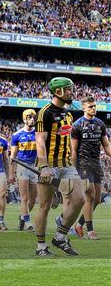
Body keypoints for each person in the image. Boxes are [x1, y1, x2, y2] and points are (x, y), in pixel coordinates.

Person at [34, 77, 85, 256]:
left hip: (66, 164)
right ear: (59, 91)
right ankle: (40, 246)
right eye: (69, 89)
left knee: (80, 199)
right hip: (49, 165)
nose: (72, 92)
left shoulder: (68, 114)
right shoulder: (45, 112)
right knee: (45, 206)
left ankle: (60, 237)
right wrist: (44, 166)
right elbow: (40, 140)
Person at [70, 96, 111, 240]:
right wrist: (73, 168)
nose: (93, 108)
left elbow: (106, 145)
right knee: (90, 195)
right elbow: (73, 150)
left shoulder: (100, 123)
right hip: (82, 163)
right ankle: (90, 231)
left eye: (94, 106)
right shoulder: (77, 125)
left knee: (98, 199)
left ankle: (79, 224)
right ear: (83, 108)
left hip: (96, 163)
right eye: (90, 106)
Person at [9, 109, 38, 232]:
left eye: (34, 117)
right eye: (29, 117)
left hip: (34, 167)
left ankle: (22, 218)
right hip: (22, 166)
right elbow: (13, 156)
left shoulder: (39, 134)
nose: (32, 119)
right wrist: (11, 173)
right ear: (24, 119)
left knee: (33, 198)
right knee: (24, 197)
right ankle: (27, 222)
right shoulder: (17, 135)